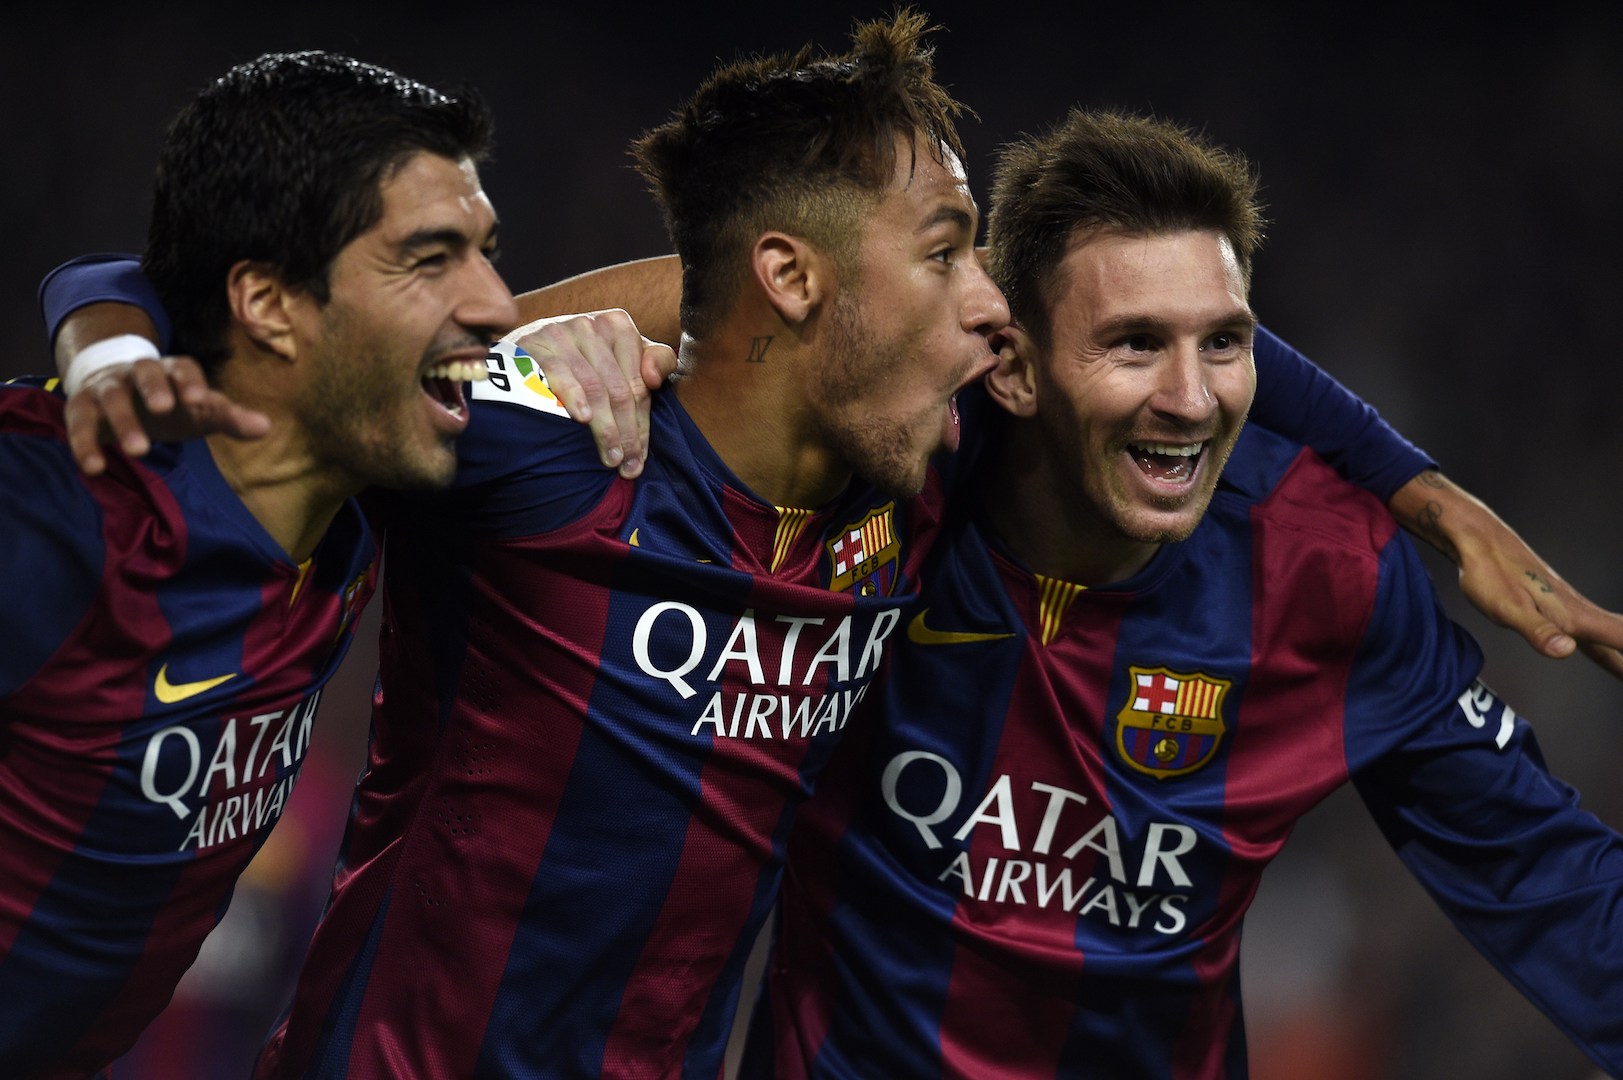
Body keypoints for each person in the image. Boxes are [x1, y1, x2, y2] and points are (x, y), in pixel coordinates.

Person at [39, 13, 1623, 1078]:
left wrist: (1411, 485)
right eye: (946, 258)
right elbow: (287, 324)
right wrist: (107, 328)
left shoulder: (924, 492)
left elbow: (1146, 322)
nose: (986, 306)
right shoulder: (544, 452)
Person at [739, 108, 1623, 1079]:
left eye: (1223, 344)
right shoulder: (886, 481)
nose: (1192, 400)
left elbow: (1550, 879)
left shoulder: (1327, 572)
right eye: (1134, 345)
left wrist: (1421, 488)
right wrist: (558, 350)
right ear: (1015, 367)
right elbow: (734, 307)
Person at [1, 50, 654, 1079]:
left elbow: (732, 292)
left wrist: (576, 330)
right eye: (433, 258)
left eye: (487, 254)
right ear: (268, 306)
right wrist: (101, 340)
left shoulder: (357, 484)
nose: (496, 302)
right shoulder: (63, 504)